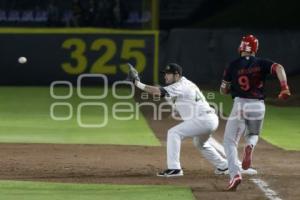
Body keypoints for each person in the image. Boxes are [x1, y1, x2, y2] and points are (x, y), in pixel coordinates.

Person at [128, 63, 228, 177]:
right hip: (208, 119)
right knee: (200, 143)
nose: (165, 76)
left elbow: (157, 92)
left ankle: (174, 168)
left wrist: (138, 83)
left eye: (168, 74)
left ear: (177, 75)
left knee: (174, 133)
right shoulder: (184, 84)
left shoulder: (180, 85)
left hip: (204, 119)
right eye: (165, 74)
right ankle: (223, 165)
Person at [220, 34, 291, 191]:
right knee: (253, 133)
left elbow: (223, 90)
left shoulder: (232, 65)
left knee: (230, 141)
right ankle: (250, 145)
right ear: (255, 49)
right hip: (257, 105)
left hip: (240, 104)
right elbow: (279, 68)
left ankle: (235, 175)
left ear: (241, 47)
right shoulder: (261, 63)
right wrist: (284, 87)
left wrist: (230, 86)